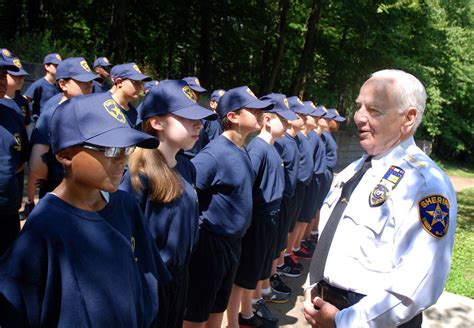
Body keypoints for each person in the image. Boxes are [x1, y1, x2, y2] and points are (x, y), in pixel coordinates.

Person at [304, 69, 457, 327]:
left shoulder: (426, 185)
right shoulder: (356, 169)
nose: (359, 117)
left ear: (408, 119)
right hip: (326, 308)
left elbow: (416, 286)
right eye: (359, 106)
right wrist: (312, 286)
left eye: (374, 110)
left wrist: (344, 321)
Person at [0, 92, 165, 327]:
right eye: (109, 149)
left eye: (125, 149)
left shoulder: (127, 206)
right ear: (65, 155)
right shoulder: (43, 230)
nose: (121, 160)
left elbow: (146, 285)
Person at [120, 79, 217, 328]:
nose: (199, 124)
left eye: (199, 117)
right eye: (187, 117)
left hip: (180, 277)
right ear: (156, 122)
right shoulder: (138, 176)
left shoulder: (187, 167)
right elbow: (123, 240)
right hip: (149, 282)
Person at [183, 86, 272, 328]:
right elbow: (186, 192)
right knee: (196, 313)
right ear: (232, 117)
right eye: (253, 110)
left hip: (232, 244)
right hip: (210, 247)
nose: (260, 114)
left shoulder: (241, 149)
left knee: (217, 308)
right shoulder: (214, 153)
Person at [226, 93, 297, 328]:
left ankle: (247, 312)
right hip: (257, 219)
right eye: (282, 120)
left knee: (253, 272)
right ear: (267, 119)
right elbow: (247, 188)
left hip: (269, 217)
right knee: (243, 275)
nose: (287, 125)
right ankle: (237, 318)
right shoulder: (257, 149)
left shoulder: (271, 148)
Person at [25, 57, 101, 215]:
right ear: (63, 84)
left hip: (85, 192)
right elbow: (37, 164)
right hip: (60, 193)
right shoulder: (53, 114)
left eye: (90, 80)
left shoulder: (85, 109)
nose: (89, 85)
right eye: (82, 81)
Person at [0, 50, 27, 256]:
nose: (2, 80)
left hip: (8, 210)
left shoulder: (12, 113)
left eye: (3, 75)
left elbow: (20, 158)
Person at [110, 62, 151, 128]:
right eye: (136, 82)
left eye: (141, 83)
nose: (141, 87)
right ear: (119, 82)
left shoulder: (133, 113)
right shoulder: (98, 104)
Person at [23, 52, 62, 120]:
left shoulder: (61, 85)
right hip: (41, 123)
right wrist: (26, 118)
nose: (59, 68)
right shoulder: (39, 85)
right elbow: (23, 101)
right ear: (46, 66)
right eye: (56, 65)